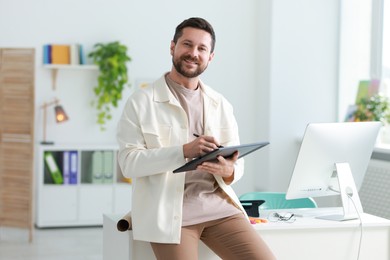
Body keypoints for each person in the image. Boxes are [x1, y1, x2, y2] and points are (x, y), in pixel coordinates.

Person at [117, 17, 275, 260]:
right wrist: (183, 151)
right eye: (187, 45)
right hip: (170, 214)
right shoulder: (141, 102)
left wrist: (228, 169)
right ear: (173, 47)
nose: (193, 53)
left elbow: (236, 163)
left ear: (210, 57)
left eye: (202, 48)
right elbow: (129, 163)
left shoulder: (220, 103)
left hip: (218, 208)